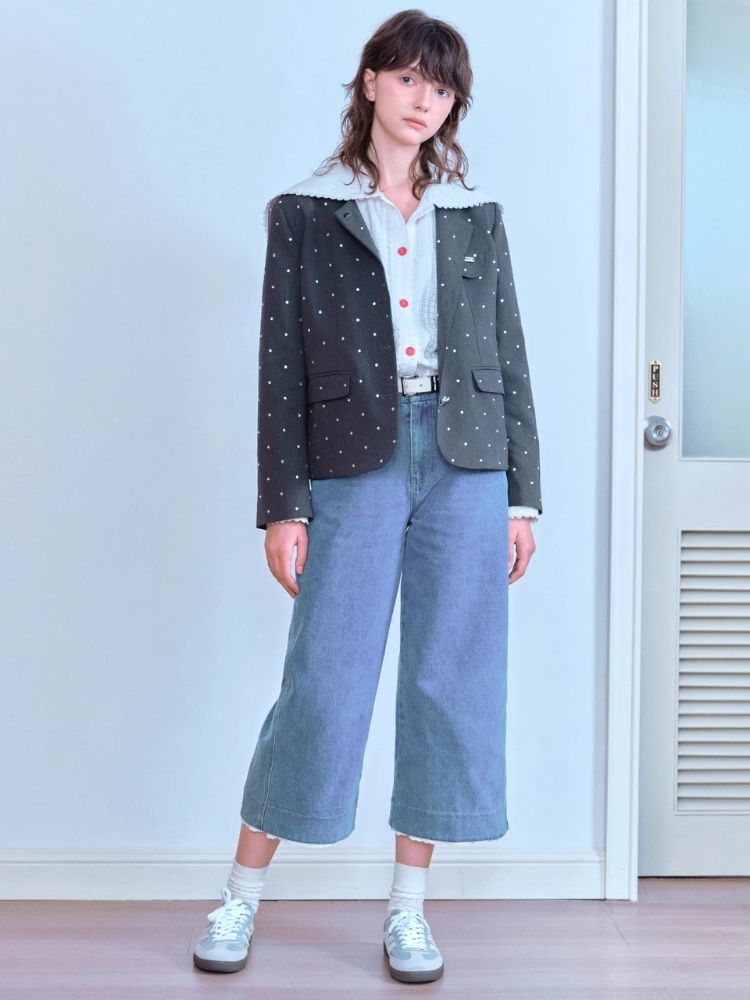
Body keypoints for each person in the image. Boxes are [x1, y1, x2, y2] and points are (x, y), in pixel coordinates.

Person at [193, 8, 542, 985]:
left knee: (450, 680)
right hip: (355, 460)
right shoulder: (307, 211)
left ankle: (408, 911)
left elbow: (510, 352)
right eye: (411, 78)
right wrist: (283, 504)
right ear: (371, 82)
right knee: (326, 679)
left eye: (444, 87)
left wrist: (523, 498)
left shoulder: (475, 212)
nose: (426, 100)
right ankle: (241, 894)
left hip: (467, 461)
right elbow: (280, 366)